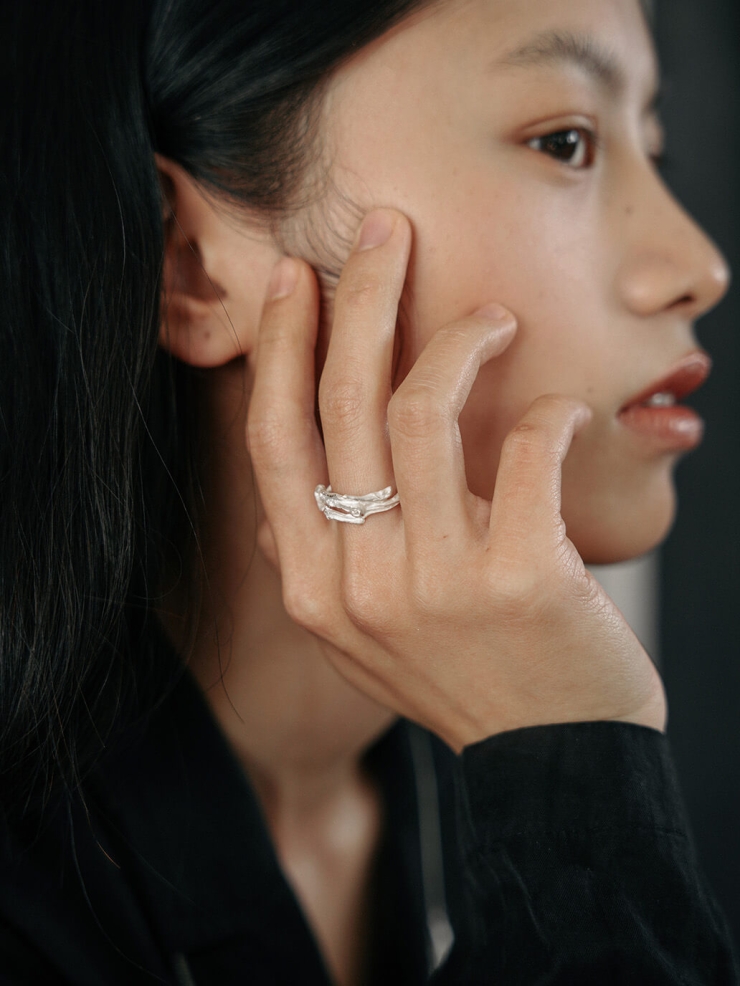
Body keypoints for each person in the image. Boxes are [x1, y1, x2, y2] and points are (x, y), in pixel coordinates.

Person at [0, 0, 737, 983]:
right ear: (191, 267)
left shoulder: (477, 767)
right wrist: (573, 784)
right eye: (565, 141)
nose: (696, 267)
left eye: (653, 150)